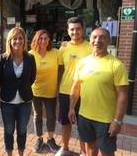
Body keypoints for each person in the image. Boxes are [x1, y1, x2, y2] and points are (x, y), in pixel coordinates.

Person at [68, 27, 128, 156]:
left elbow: (122, 95)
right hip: (84, 116)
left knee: (106, 152)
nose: (98, 40)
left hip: (105, 120)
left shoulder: (116, 65)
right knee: (90, 146)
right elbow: (76, 86)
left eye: (102, 37)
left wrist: (117, 121)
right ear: (90, 40)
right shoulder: (83, 62)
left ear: (108, 41)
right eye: (94, 37)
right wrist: (72, 108)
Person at [0, 27, 36, 156]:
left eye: (20, 38)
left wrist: (22, 87)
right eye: (15, 38)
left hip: (25, 101)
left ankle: (21, 153)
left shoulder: (30, 58)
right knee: (8, 130)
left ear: (24, 41)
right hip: (7, 101)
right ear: (9, 41)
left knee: (22, 130)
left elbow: (32, 78)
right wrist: (10, 87)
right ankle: (9, 154)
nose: (17, 41)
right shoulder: (3, 58)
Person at [56, 17, 92, 156]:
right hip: (66, 91)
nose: (75, 31)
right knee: (65, 123)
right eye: (72, 29)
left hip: (84, 92)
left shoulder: (90, 47)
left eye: (78, 28)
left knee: (83, 124)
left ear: (82, 29)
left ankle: (83, 151)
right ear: (68, 31)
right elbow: (60, 69)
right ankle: (65, 148)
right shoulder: (63, 47)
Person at [29, 29, 60, 153]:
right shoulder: (31, 54)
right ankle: (39, 138)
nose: (43, 41)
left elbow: (62, 69)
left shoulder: (56, 53)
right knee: (37, 116)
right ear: (36, 40)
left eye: (46, 38)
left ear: (49, 40)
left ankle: (51, 139)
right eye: (40, 38)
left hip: (51, 92)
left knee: (51, 116)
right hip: (35, 91)